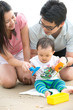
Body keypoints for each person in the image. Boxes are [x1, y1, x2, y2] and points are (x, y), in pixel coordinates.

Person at [29, 0, 73, 81]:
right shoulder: (34, 29)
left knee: (67, 75)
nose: (44, 29)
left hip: (62, 52)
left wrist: (65, 60)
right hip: (42, 53)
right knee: (30, 76)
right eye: (42, 24)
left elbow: (70, 57)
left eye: (49, 27)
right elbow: (34, 54)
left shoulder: (71, 30)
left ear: (61, 24)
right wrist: (36, 69)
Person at [0, 1, 35, 89]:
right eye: (7, 21)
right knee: (8, 83)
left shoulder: (20, 18)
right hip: (5, 57)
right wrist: (21, 64)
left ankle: (15, 70)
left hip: (20, 52)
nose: (12, 22)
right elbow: (9, 58)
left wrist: (26, 64)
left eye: (12, 17)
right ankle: (7, 70)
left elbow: (26, 45)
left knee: (28, 79)